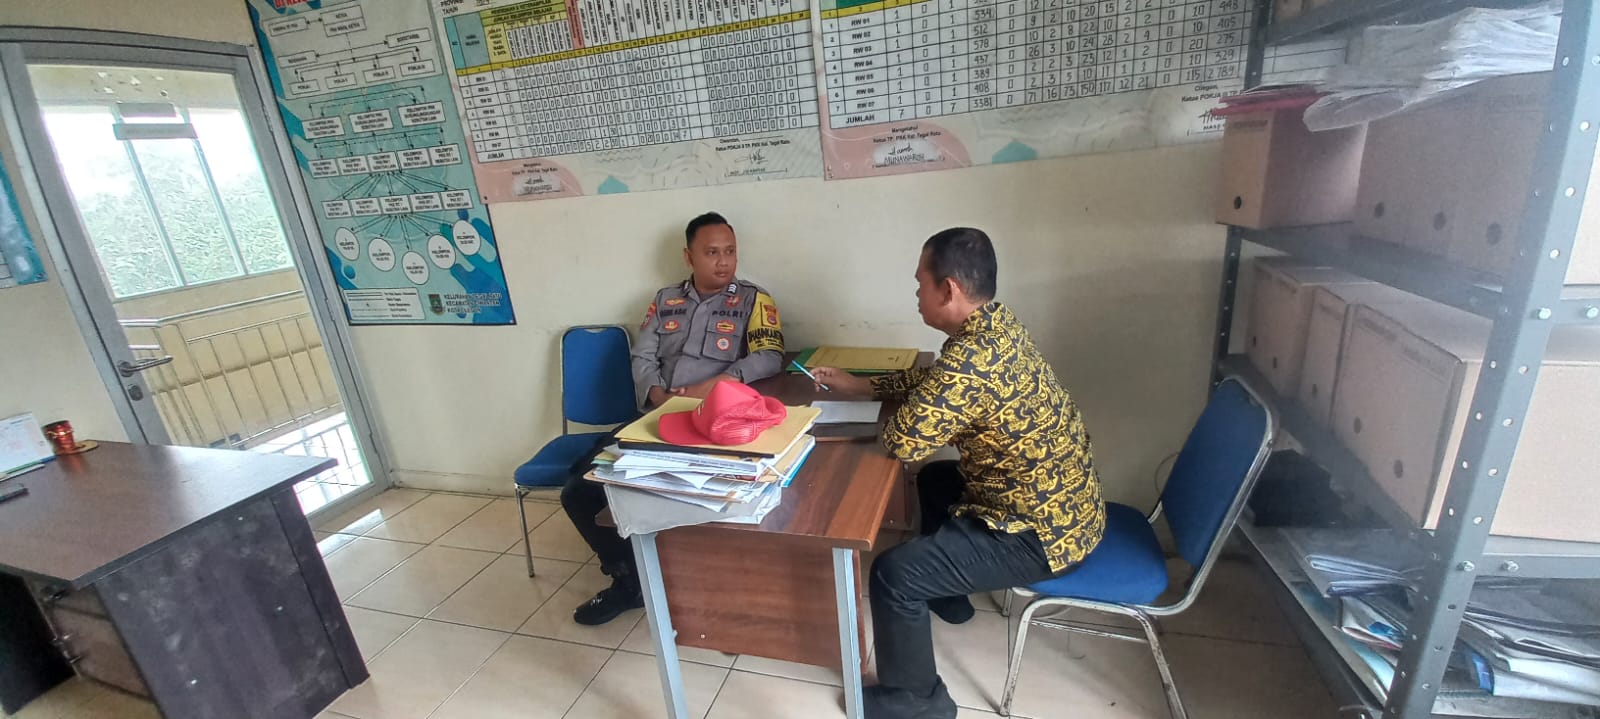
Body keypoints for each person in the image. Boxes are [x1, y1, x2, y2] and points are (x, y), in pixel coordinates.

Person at [811, 227, 1106, 719]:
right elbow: (936, 380)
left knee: (893, 574)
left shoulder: (972, 358)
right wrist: (863, 387)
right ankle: (949, 596)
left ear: (947, 289)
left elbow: (904, 441)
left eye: (919, 284)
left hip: (1041, 536)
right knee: (936, 480)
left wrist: (883, 406)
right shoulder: (996, 327)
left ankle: (916, 703)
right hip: (1067, 509)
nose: (916, 295)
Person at [559, 211, 785, 626]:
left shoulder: (754, 300)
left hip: (713, 424)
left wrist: (716, 385)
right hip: (656, 418)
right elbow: (642, 355)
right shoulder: (666, 300)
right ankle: (630, 580)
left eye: (730, 251)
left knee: (701, 499)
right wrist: (656, 393)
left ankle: (703, 581)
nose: (723, 261)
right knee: (579, 490)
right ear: (688, 256)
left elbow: (770, 356)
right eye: (712, 252)